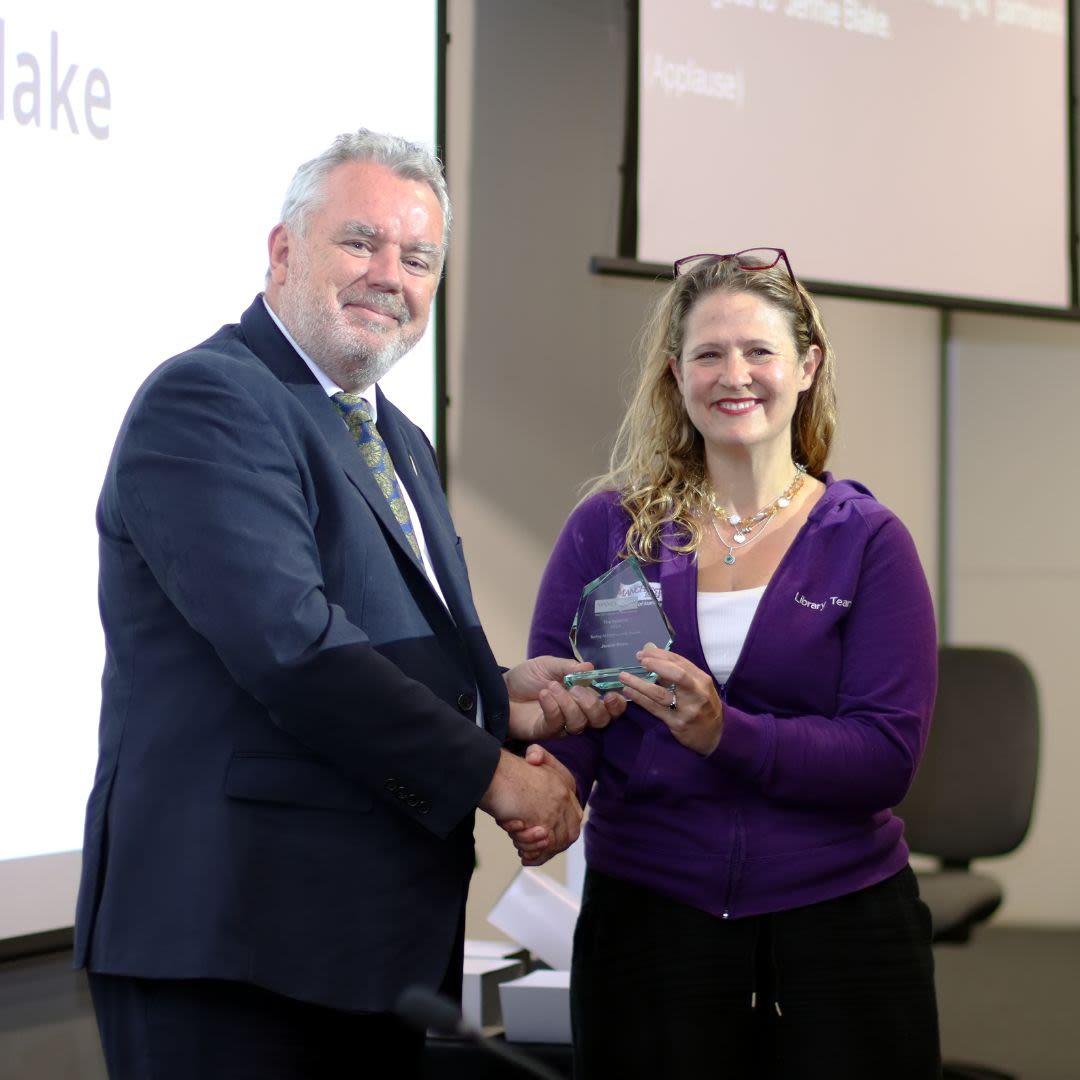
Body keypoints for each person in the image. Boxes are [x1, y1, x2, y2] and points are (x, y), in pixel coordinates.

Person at [74, 128, 623, 1080]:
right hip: (234, 946)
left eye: (418, 259)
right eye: (360, 242)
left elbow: (376, 643)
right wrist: (501, 777)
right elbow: (298, 651)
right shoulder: (209, 401)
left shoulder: (396, 436)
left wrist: (502, 698)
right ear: (283, 252)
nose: (389, 276)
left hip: (372, 946)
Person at [526, 248, 941, 1079]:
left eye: (759, 351)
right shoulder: (607, 530)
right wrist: (545, 789)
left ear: (806, 365)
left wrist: (727, 733)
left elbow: (884, 760)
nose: (734, 374)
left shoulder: (867, 541)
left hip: (839, 925)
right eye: (709, 354)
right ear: (677, 375)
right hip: (649, 922)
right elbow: (561, 707)